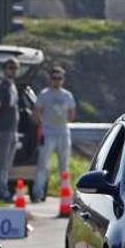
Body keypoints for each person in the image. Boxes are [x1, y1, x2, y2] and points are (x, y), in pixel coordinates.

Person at [32, 66, 76, 202]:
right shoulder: (44, 94)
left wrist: (63, 118)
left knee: (64, 165)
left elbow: (72, 114)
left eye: (59, 78)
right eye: (54, 78)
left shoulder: (67, 95)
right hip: (48, 132)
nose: (56, 81)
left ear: (63, 80)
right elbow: (36, 112)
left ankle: (65, 195)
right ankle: (37, 193)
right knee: (42, 164)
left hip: (63, 132)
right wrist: (42, 124)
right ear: (50, 79)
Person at [0, 57, 21, 201]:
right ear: (4, 70)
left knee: (8, 164)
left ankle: (5, 189)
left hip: (12, 130)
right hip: (2, 130)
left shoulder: (12, 86)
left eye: (15, 68)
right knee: (1, 164)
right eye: (9, 67)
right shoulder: (1, 87)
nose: (12, 70)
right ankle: (1, 192)